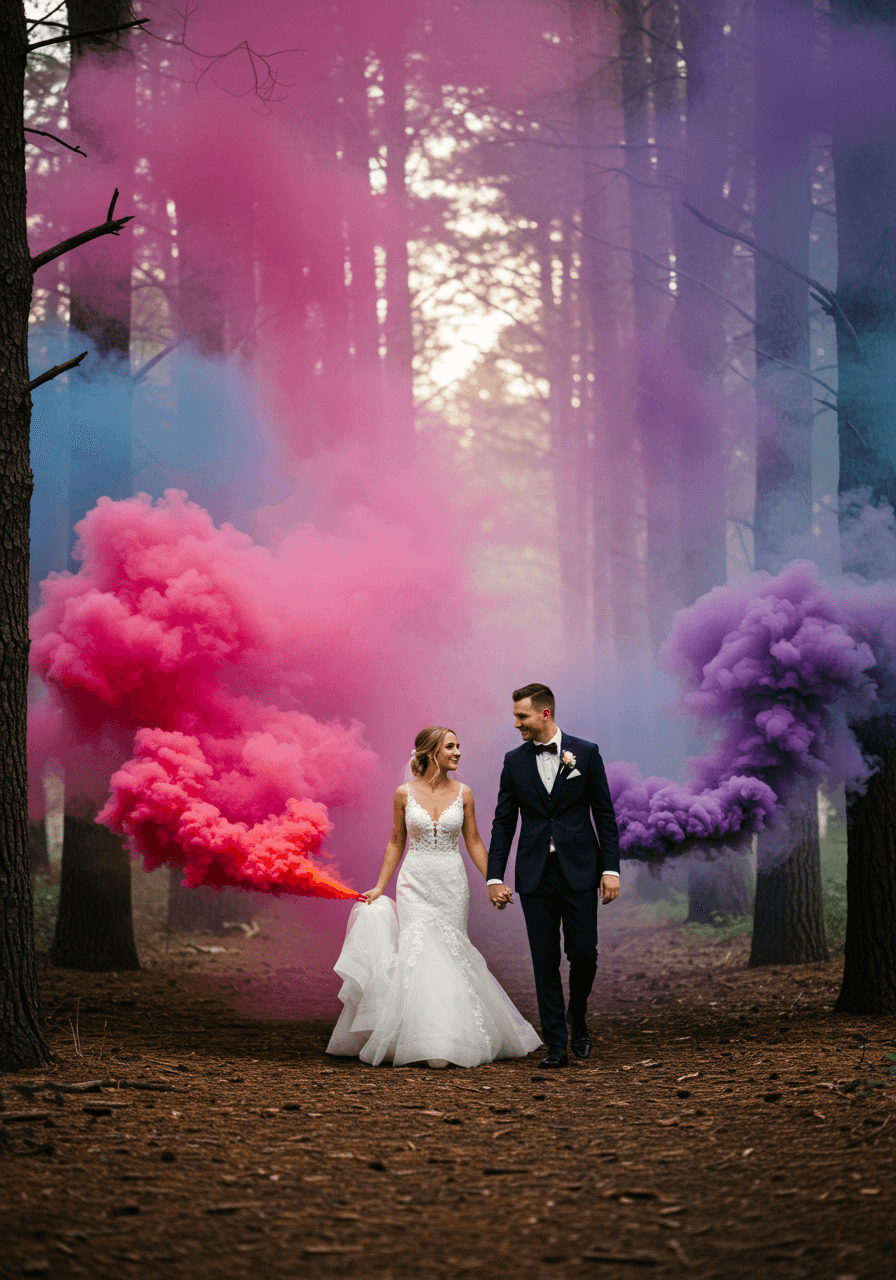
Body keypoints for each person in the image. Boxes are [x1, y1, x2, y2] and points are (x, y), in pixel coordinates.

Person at [326, 726, 541, 1068]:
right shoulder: (403, 794)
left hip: (451, 883)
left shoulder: (464, 793)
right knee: (418, 950)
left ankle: (450, 1036)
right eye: (450, 747)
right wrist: (380, 886)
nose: (458, 752)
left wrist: (494, 880)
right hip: (414, 882)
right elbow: (396, 841)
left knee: (450, 950)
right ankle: (421, 1039)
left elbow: (473, 841)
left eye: (458, 746)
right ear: (431, 753)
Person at [486, 683, 620, 1068]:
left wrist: (610, 869)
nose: (516, 724)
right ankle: (555, 1044)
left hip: (581, 871)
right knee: (544, 960)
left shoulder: (587, 753)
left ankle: (578, 1015)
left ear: (544, 713)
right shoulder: (514, 761)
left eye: (522, 716)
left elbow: (605, 816)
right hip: (534, 876)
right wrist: (495, 877)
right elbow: (503, 823)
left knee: (583, 955)